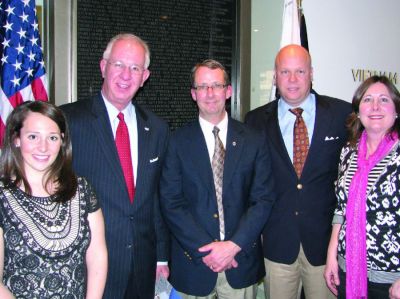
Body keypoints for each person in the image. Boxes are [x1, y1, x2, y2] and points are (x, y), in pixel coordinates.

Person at [61, 33, 170, 299]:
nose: (126, 75)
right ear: (103, 67)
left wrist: (161, 257)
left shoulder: (157, 128)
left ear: (145, 77)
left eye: (135, 68)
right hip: (87, 265)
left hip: (143, 267)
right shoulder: (68, 121)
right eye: (118, 64)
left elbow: (156, 197)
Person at [159, 59, 276, 299]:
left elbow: (262, 199)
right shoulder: (176, 142)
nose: (210, 93)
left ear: (228, 91)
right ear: (193, 94)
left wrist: (233, 246)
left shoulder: (254, 140)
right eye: (202, 87)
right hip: (194, 263)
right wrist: (209, 251)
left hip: (240, 260)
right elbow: (171, 202)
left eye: (216, 85)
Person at [245, 44, 351, 299]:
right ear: (275, 76)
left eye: (300, 72)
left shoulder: (342, 114)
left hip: (326, 246)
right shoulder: (255, 121)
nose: (292, 80)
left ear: (311, 73)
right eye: (285, 72)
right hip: (277, 243)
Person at [0, 101, 107, 299]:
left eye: (52, 137)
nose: (43, 147)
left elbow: (96, 256)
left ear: (62, 141)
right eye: (33, 136)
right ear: (16, 139)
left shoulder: (82, 189)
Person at [324, 76, 400, 299]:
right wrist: (331, 255)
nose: (375, 106)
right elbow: (341, 208)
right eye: (368, 99)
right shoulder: (349, 151)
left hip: (390, 279)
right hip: (348, 270)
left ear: (396, 110)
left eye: (384, 99)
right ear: (358, 111)